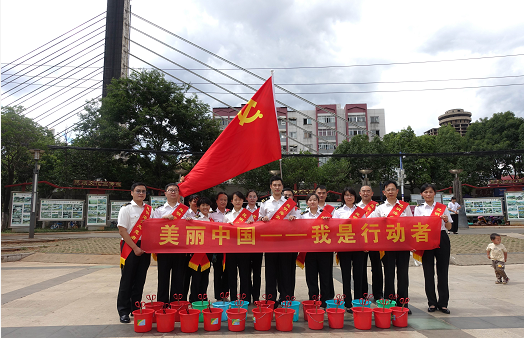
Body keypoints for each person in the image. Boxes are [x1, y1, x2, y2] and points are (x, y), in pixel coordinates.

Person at [369, 180, 413, 314]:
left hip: (403, 245)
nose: (391, 192)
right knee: (389, 275)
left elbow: (411, 225)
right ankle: (389, 303)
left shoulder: (405, 207)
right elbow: (369, 223)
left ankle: (403, 304)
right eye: (388, 190)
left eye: (393, 189)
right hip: (387, 246)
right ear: (384, 192)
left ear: (397, 191)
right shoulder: (380, 208)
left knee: (403, 275)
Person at [259, 176, 299, 304]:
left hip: (285, 243)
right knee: (271, 272)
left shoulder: (288, 203)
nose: (277, 187)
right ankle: (270, 299)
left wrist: (293, 216)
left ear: (282, 187)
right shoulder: (265, 203)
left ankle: (285, 298)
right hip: (270, 243)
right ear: (270, 186)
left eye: (279, 185)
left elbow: (297, 216)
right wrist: (263, 219)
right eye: (274, 185)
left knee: (285, 271)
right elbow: (259, 219)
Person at [414, 183, 452, 314]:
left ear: (434, 193)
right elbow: (415, 226)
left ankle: (443, 303)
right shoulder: (419, 209)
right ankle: (431, 302)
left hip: (441, 237)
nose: (428, 194)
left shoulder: (442, 208)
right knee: (428, 272)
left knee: (443, 272)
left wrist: (446, 220)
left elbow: (449, 227)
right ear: (422, 194)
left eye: (430, 192)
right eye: (425, 192)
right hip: (426, 238)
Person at [117, 182, 152, 323]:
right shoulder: (126, 209)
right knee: (127, 280)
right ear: (132, 192)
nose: (141, 193)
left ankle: (135, 308)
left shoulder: (150, 209)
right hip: (130, 246)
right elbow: (122, 230)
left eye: (143, 191)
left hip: (145, 247)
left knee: (140, 279)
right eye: (138, 191)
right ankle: (123, 311)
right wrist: (135, 248)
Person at [152, 183, 187, 304]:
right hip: (164, 249)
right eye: (170, 190)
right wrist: (163, 220)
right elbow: (153, 228)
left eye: (175, 190)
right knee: (163, 278)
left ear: (178, 193)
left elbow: (192, 228)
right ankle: (162, 303)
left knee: (178, 278)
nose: (173, 192)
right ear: (165, 193)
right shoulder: (159, 210)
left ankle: (176, 304)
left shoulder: (185, 210)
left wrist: (189, 221)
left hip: (180, 249)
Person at [332, 187, 366, 313]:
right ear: (343, 197)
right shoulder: (338, 211)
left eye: (351, 195)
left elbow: (365, 228)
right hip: (344, 247)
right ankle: (347, 303)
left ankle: (358, 301)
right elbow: (334, 229)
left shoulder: (361, 212)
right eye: (346, 195)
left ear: (355, 197)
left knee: (359, 275)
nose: (349, 197)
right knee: (345, 276)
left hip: (358, 247)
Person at [300, 193, 334, 308]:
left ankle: (325, 301)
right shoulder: (303, 216)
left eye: (315, 200)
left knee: (325, 277)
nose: (313, 202)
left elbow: (334, 229)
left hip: (324, 250)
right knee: (311, 278)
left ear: (318, 201)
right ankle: (313, 300)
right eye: (310, 200)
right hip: (309, 252)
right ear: (307, 203)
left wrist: (329, 222)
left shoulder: (327, 215)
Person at [224, 191, 251, 302]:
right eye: (235, 199)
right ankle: (234, 298)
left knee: (245, 274)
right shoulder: (227, 217)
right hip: (231, 249)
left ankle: (245, 298)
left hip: (244, 249)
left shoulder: (248, 215)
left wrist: (250, 225)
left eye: (240, 199)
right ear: (232, 201)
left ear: (242, 201)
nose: (238, 201)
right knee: (232, 275)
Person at [357, 185, 383, 301]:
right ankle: (363, 294)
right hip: (361, 241)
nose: (366, 193)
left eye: (368, 191)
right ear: (360, 193)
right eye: (363, 191)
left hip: (376, 240)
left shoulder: (378, 207)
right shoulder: (356, 207)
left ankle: (378, 294)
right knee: (361, 268)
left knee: (377, 268)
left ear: (372, 193)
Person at [187, 197, 214, 302]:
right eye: (203, 205)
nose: (205, 207)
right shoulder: (195, 219)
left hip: (208, 252)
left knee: (205, 277)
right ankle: (194, 299)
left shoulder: (211, 219)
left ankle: (203, 297)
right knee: (196, 277)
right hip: (197, 252)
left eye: (207, 205)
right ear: (198, 207)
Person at [210, 192, 230, 300]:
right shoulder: (211, 215)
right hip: (217, 249)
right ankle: (218, 296)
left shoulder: (231, 214)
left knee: (227, 273)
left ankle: (226, 295)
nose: (223, 202)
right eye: (221, 199)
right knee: (217, 273)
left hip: (229, 249)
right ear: (217, 201)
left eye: (225, 200)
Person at [246, 190, 262, 303]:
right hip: (245, 245)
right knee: (246, 272)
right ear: (246, 198)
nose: (252, 198)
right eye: (250, 196)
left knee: (257, 273)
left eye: (254, 196)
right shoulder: (242, 211)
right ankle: (246, 295)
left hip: (258, 245)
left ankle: (256, 296)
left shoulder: (261, 211)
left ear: (257, 198)